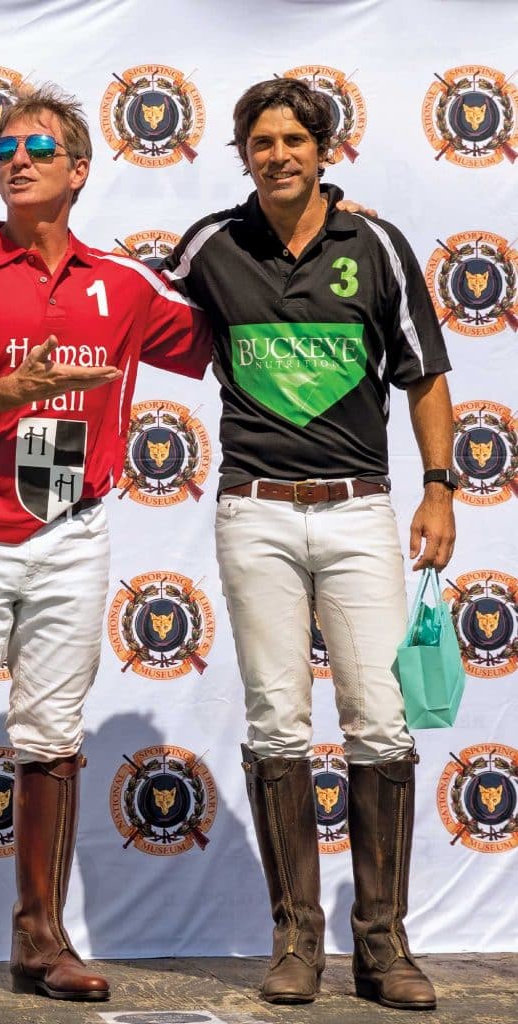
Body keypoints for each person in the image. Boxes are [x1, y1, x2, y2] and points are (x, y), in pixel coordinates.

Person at [0, 85, 213, 1007]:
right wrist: (6, 390)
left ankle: (38, 940)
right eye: (1, 147)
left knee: (51, 737)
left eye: (36, 147)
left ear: (78, 170)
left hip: (73, 533)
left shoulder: (122, 282)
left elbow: (220, 328)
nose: (14, 158)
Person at [162, 78, 456, 1011]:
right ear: (241, 154)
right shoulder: (212, 242)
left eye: (295, 139)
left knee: (378, 721)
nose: (278, 153)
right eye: (261, 141)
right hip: (253, 510)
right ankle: (296, 942)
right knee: (276, 723)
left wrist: (440, 487)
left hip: (359, 509)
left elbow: (424, 374)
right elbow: (133, 309)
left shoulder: (373, 243)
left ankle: (385, 947)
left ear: (325, 150)